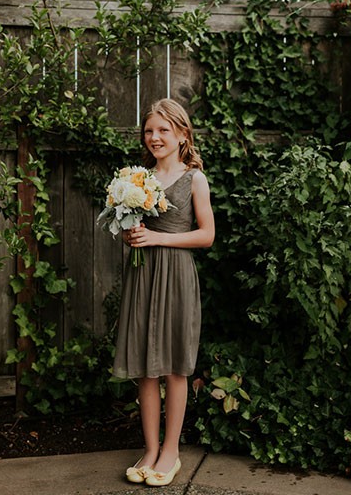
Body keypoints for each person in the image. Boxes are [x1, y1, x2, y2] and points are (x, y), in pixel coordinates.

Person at [114, 98, 215, 488]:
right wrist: (132, 235)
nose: (154, 137)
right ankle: (150, 449)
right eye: (149, 131)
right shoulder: (137, 180)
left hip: (175, 277)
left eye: (163, 130)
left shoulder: (194, 179)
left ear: (182, 135)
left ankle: (171, 451)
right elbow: (135, 231)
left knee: (173, 365)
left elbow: (207, 236)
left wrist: (157, 236)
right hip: (144, 277)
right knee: (145, 364)